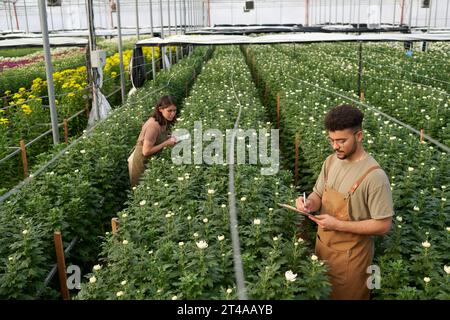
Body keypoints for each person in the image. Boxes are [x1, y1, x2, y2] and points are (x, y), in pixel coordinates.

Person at [296, 104, 393, 300]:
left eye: (341, 141)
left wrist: (337, 224)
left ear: (359, 136)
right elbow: (317, 194)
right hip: (322, 250)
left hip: (352, 262)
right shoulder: (331, 161)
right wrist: (309, 204)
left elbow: (383, 225)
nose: (335, 146)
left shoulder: (374, 176)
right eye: (331, 140)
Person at [128, 95, 178, 187]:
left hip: (151, 160)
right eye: (169, 111)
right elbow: (146, 151)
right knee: (141, 189)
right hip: (140, 161)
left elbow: (157, 138)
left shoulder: (163, 121)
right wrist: (166, 143)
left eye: (174, 110)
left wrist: (169, 137)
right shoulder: (153, 126)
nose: (172, 114)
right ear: (160, 109)